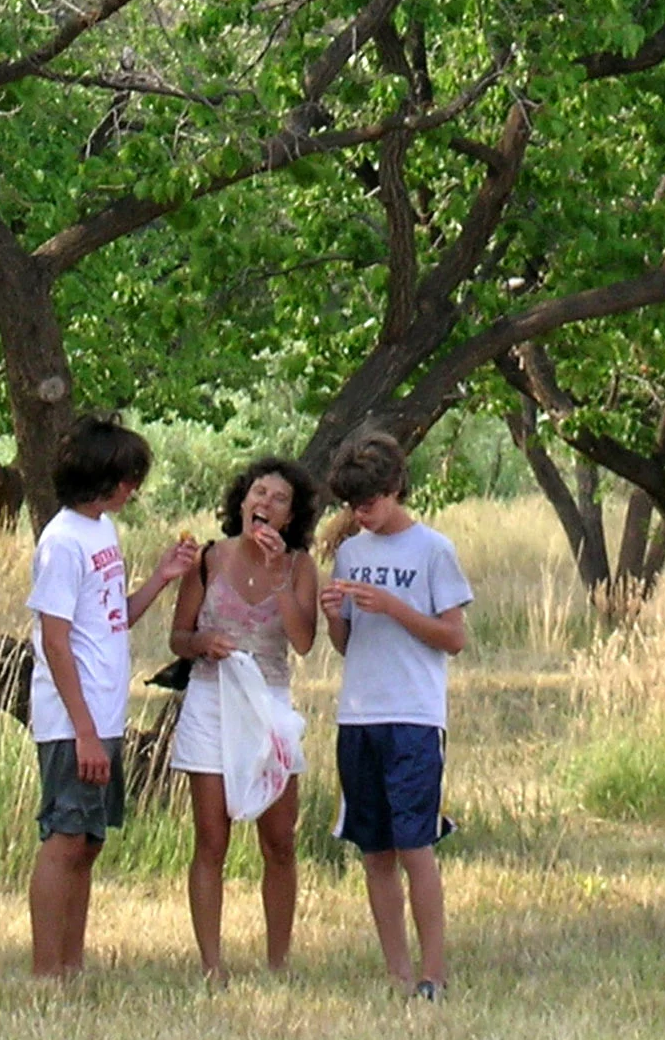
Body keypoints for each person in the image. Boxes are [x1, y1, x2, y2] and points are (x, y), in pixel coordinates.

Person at [26, 416, 198, 981]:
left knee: (89, 842)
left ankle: (73, 965)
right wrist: (81, 730)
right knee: (65, 835)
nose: (134, 488)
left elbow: (111, 617)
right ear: (100, 477)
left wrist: (162, 578)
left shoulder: (102, 533)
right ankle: (47, 971)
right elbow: (55, 639)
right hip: (71, 719)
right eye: (127, 477)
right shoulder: (61, 542)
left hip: (104, 712)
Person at [321, 430, 472, 1001]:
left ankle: (433, 974)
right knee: (375, 849)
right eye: (352, 505)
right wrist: (335, 614)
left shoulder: (433, 550)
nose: (361, 514)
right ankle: (397, 973)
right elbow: (345, 644)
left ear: (395, 489)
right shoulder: (352, 551)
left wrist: (395, 608)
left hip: (413, 714)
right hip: (358, 714)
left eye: (370, 502)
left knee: (415, 845)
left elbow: (453, 637)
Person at [168, 455, 319, 980]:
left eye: (279, 499)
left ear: (291, 516)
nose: (266, 504)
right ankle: (213, 966)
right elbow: (177, 638)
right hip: (212, 699)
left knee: (279, 840)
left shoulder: (300, 566)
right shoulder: (208, 559)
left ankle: (279, 962)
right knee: (211, 837)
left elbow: (303, 641)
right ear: (242, 500)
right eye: (259, 493)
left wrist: (280, 577)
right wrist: (202, 643)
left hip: (270, 702)